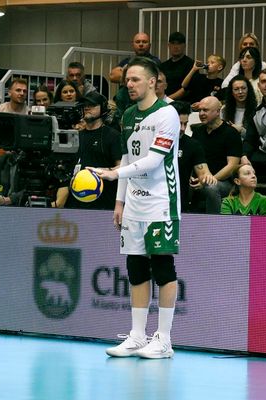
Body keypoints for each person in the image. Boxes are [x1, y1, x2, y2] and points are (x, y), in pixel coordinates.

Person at [89, 57, 181, 359]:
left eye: (136, 79)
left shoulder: (167, 114)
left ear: (152, 82)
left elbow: (154, 160)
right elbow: (129, 158)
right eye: (127, 79)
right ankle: (138, 336)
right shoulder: (128, 114)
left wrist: (114, 173)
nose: (129, 84)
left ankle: (164, 340)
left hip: (161, 202)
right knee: (136, 269)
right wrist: (120, 201)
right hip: (134, 204)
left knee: (163, 269)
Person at [64, 91, 122, 210]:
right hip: (76, 200)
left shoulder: (113, 136)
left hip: (103, 201)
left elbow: (122, 167)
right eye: (85, 105)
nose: (87, 108)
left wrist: (105, 171)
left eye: (92, 105)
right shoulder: (76, 136)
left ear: (103, 108)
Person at [191, 96, 242, 214]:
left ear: (218, 112)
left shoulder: (231, 133)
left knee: (211, 187)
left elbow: (232, 166)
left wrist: (211, 179)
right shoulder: (197, 132)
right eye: (200, 110)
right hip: (200, 178)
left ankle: (214, 222)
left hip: (224, 182)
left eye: (205, 110)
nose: (201, 113)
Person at [171, 100, 216, 211]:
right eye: (179, 124)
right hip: (153, 199)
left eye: (185, 124)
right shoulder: (153, 141)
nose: (182, 128)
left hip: (179, 202)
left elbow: (204, 172)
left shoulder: (192, 145)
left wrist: (206, 177)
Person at [159, 32, 194, 100]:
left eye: (179, 43)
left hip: (183, 103)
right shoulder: (163, 66)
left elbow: (187, 89)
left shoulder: (191, 65)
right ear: (169, 45)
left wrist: (166, 100)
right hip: (164, 101)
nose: (176, 46)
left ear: (184, 45)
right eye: (173, 43)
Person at [222, 75, 258, 140]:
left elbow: (257, 137)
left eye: (243, 88)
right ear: (231, 92)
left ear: (248, 90)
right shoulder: (224, 110)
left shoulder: (257, 110)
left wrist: (241, 130)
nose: (240, 92)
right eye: (236, 89)